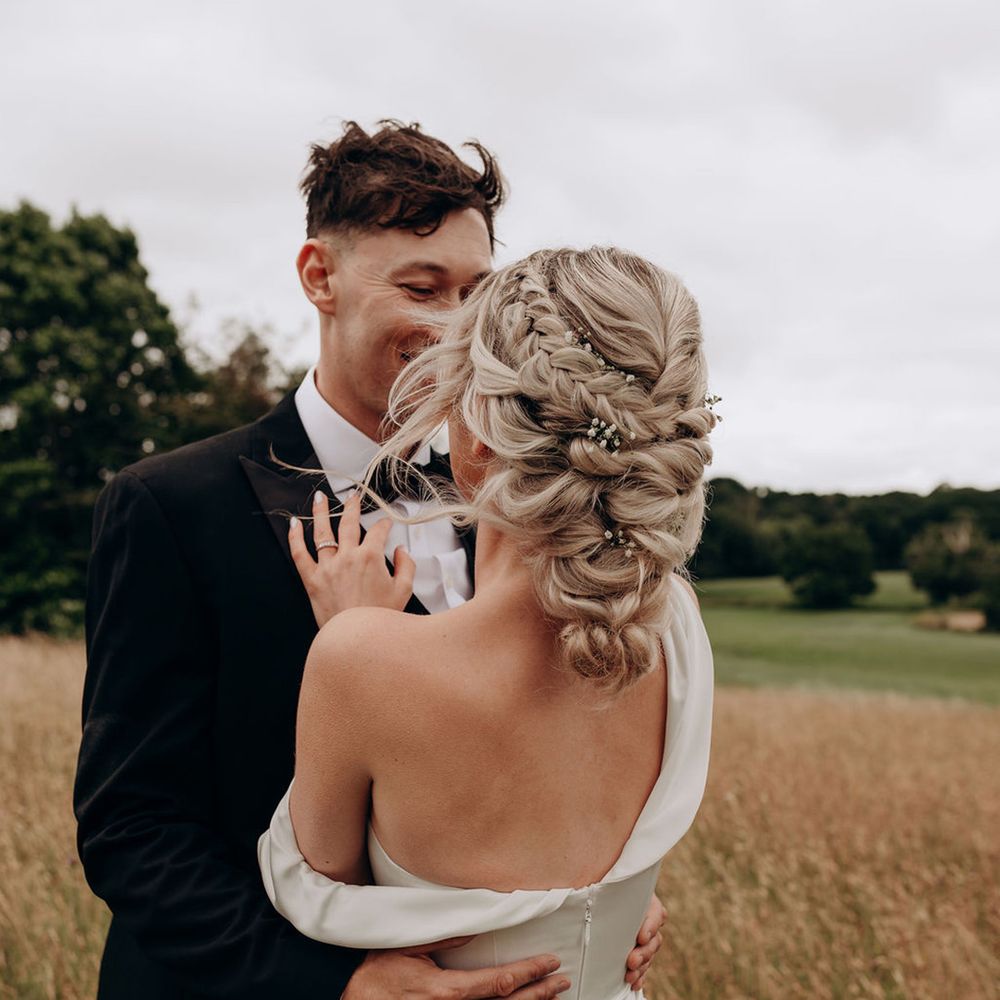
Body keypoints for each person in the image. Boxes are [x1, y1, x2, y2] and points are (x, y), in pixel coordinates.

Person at [74, 121, 664, 1000]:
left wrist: (595, 896)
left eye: (478, 294)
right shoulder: (171, 506)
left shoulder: (520, 510)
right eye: (423, 289)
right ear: (321, 277)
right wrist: (334, 983)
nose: (460, 329)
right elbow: (132, 826)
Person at [258, 247, 717, 1000]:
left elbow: (321, 892)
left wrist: (358, 635)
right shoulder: (678, 628)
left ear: (474, 439)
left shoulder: (362, 662)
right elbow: (587, 866)